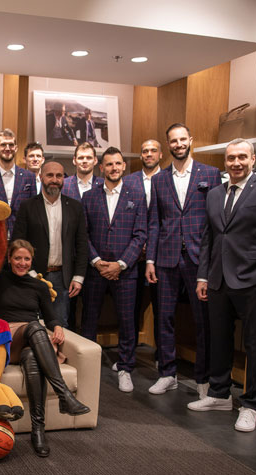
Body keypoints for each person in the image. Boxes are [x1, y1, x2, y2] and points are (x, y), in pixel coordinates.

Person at [189, 139, 256, 432]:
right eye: (231, 158)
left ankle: (251, 404)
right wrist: (203, 276)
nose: (236, 163)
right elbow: (209, 238)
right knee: (219, 338)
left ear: (253, 159)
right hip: (218, 279)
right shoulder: (214, 194)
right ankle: (219, 394)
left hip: (254, 280)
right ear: (225, 161)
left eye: (242, 157)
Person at [0, 240, 90, 456]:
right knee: (35, 327)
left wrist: (58, 328)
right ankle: (64, 394)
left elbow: (51, 317)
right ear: (9, 259)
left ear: (32, 261)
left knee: (32, 358)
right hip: (10, 336)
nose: (22, 263)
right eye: (17, 258)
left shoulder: (40, 286)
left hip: (33, 341)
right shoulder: (0, 279)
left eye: (27, 259)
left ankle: (38, 430)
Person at [146, 123, 221, 398]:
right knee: (164, 318)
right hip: (166, 258)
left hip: (198, 259)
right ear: (168, 145)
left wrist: (212, 260)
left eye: (182, 139)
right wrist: (150, 259)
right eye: (173, 141)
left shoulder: (210, 174)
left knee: (203, 321)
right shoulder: (159, 179)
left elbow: (216, 221)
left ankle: (204, 379)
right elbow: (154, 222)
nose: (178, 144)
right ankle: (168, 374)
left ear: (191, 140)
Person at [80, 147, 147, 393]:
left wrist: (121, 264)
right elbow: (83, 234)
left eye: (118, 163)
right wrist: (97, 261)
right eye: (109, 164)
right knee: (89, 320)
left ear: (124, 166)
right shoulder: (89, 197)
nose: (114, 168)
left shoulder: (136, 195)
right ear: (101, 168)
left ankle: (125, 368)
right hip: (95, 270)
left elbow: (140, 234)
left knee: (127, 322)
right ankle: (86, 367)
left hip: (125, 271)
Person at [12, 161, 88, 329]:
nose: (54, 180)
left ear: (63, 179)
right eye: (50, 175)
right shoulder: (27, 206)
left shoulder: (75, 207)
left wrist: (78, 277)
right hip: (33, 276)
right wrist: (30, 274)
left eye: (59, 176)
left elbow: (82, 244)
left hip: (63, 278)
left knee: (60, 326)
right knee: (32, 325)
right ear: (41, 177)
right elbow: (17, 242)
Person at [124, 140, 161, 362]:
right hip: (133, 254)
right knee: (132, 305)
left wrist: (151, 246)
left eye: (153, 151)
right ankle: (129, 353)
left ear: (160, 154)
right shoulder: (129, 180)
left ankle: (160, 354)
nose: (148, 154)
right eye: (145, 151)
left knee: (161, 306)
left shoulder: (167, 178)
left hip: (160, 253)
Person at [0, 128, 36, 237]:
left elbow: (33, 211)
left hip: (22, 237)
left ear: (16, 148)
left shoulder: (29, 177)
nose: (8, 148)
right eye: (3, 145)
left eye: (11, 145)